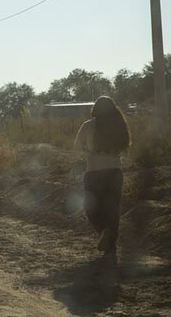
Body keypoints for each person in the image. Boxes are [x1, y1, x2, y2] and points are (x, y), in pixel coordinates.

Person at [74, 96, 130, 256]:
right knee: (113, 210)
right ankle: (111, 247)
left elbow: (77, 147)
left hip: (94, 171)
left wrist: (89, 152)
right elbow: (125, 146)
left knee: (91, 208)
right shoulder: (120, 125)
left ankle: (103, 231)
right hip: (115, 172)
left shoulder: (88, 126)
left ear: (95, 109)